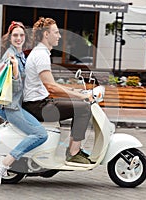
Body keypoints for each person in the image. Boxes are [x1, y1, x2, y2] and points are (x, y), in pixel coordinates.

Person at [22, 17, 94, 167]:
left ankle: (73, 150)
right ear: (46, 34)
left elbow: (52, 85)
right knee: (83, 108)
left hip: (40, 102)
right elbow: (52, 87)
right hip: (37, 106)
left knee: (79, 104)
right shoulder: (41, 55)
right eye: (56, 32)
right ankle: (74, 153)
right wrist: (81, 95)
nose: (59, 36)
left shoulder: (40, 53)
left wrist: (75, 90)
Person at [0, 21, 48, 185]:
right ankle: (5, 162)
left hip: (16, 104)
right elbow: (15, 88)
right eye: (15, 35)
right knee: (40, 134)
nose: (19, 38)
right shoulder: (10, 57)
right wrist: (16, 70)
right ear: (9, 37)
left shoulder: (20, 54)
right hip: (10, 107)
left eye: (21, 35)